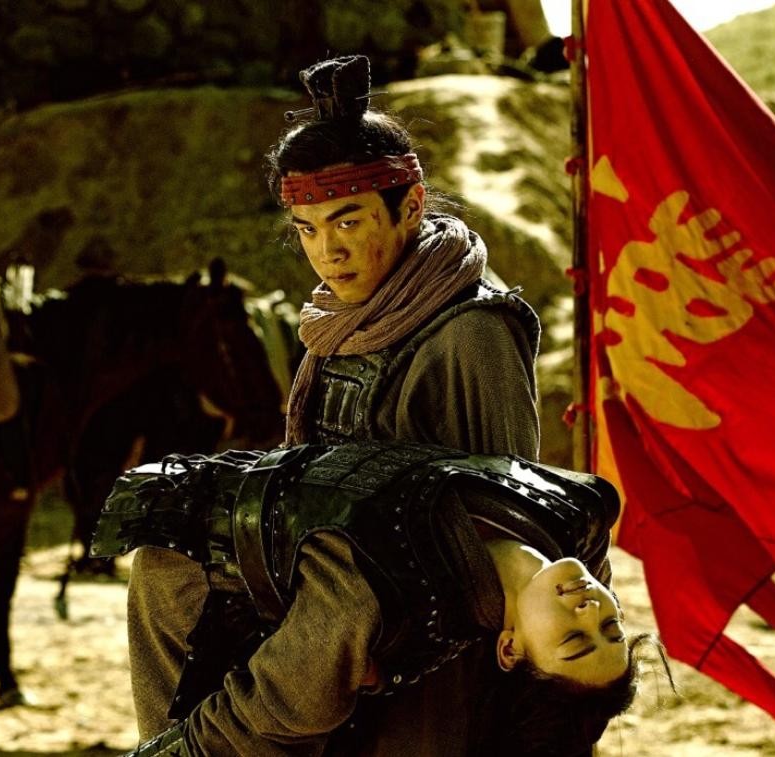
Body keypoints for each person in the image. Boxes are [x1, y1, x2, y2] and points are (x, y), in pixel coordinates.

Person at [118, 53, 592, 755]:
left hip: (422, 625)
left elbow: (500, 521)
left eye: (347, 222)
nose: (327, 253)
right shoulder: (340, 322)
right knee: (164, 567)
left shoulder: (471, 333)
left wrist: (391, 644)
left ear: (411, 206)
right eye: (308, 230)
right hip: (328, 567)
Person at [96, 441, 662, 755]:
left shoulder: (380, 595)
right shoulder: (580, 515)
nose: (590, 611)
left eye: (573, 640)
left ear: (510, 649)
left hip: (192, 578)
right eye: (610, 629)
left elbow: (265, 714)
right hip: (219, 492)